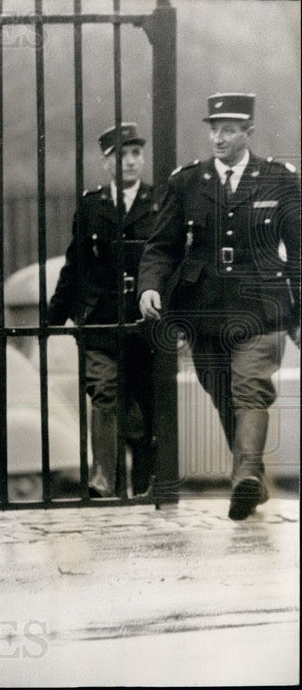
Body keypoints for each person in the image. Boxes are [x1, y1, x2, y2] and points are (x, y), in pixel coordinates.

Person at [139, 92, 301, 520]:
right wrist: (149, 287)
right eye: (214, 128)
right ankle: (254, 476)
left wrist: (299, 314)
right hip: (203, 310)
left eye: (228, 129)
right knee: (222, 393)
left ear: (249, 133)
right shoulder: (187, 181)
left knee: (250, 387)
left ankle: (245, 475)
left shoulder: (279, 179)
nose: (218, 137)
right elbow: (161, 246)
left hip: (262, 305)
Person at [48, 123, 157, 498]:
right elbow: (75, 265)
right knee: (105, 392)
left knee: (145, 405)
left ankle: (147, 483)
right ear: (106, 162)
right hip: (101, 320)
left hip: (146, 322)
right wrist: (54, 317)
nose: (130, 162)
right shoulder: (92, 205)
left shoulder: (158, 202)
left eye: (136, 154)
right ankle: (103, 480)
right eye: (121, 155)